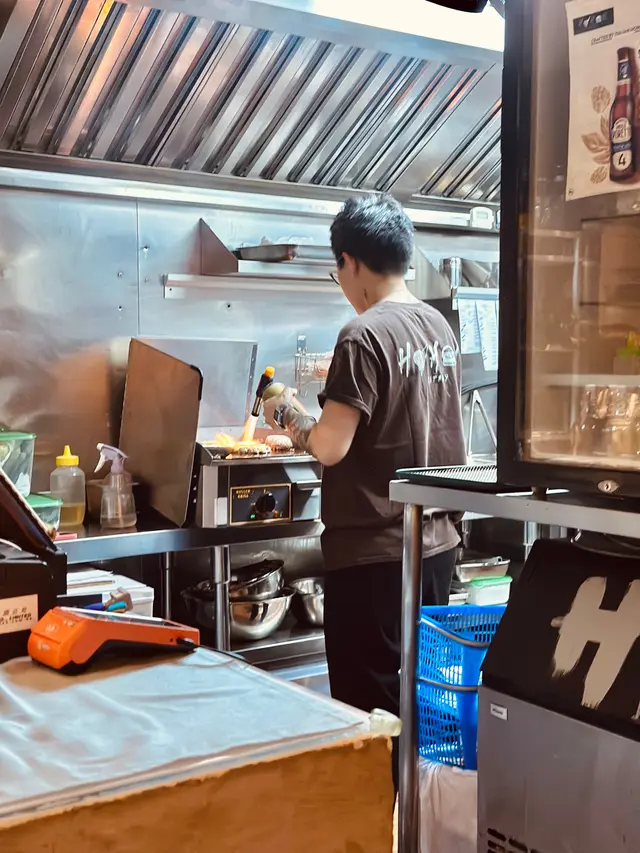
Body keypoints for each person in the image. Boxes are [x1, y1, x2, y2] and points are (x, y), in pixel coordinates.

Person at [264, 194, 466, 792]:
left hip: (375, 554)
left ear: (350, 262)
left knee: (370, 709)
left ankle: (377, 823)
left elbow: (330, 446)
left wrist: (287, 416)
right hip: (434, 544)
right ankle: (419, 821)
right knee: (423, 698)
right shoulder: (437, 326)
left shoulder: (362, 334)